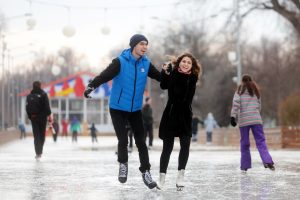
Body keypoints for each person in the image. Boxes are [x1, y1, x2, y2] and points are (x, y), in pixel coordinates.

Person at [84, 34, 160, 189]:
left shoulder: (146, 63)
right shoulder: (120, 62)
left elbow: (160, 78)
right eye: (141, 44)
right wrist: (91, 86)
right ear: (133, 45)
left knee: (141, 141)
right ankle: (123, 164)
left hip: (135, 109)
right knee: (123, 139)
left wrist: (169, 73)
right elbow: (104, 76)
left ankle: (146, 172)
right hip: (117, 108)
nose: (145, 47)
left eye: (146, 44)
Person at [157, 53, 202, 191]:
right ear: (179, 62)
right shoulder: (173, 73)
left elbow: (186, 96)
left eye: (189, 62)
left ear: (192, 66)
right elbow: (163, 86)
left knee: (185, 146)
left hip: (185, 116)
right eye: (184, 61)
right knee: (167, 148)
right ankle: (162, 177)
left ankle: (180, 175)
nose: (186, 64)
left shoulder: (193, 78)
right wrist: (165, 72)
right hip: (171, 114)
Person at [230, 74, 275, 172]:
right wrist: (254, 113)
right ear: (251, 81)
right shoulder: (256, 91)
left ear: (242, 81)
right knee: (261, 141)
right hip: (256, 120)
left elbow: (236, 104)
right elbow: (259, 106)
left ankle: (245, 166)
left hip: (244, 121)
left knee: (245, 143)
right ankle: (268, 161)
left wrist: (233, 116)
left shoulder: (239, 90)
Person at [26, 81, 51, 161]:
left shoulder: (29, 96)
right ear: (40, 86)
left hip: (34, 118)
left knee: (36, 136)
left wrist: (31, 117)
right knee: (41, 136)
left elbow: (27, 108)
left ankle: (37, 153)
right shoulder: (43, 95)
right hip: (42, 118)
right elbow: (47, 109)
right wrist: (47, 114)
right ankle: (40, 152)